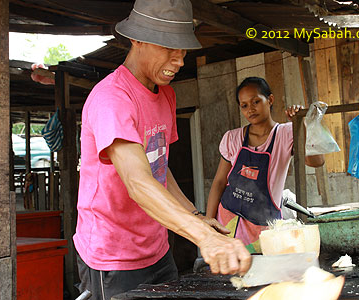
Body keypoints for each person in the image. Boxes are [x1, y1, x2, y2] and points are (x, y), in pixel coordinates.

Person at [73, 1, 251, 299]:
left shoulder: (166, 94)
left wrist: (195, 216)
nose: (179, 60)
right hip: (112, 258)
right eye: (168, 47)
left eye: (182, 50)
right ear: (137, 39)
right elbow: (138, 181)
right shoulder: (112, 99)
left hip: (157, 249)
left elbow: (158, 167)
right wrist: (204, 237)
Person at [206, 77, 325, 253]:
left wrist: (301, 126)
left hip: (264, 229)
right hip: (227, 224)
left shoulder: (286, 133)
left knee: (263, 274)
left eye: (256, 101)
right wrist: (209, 222)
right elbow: (219, 182)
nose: (250, 109)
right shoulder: (232, 138)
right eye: (244, 105)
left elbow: (316, 161)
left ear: (270, 100)